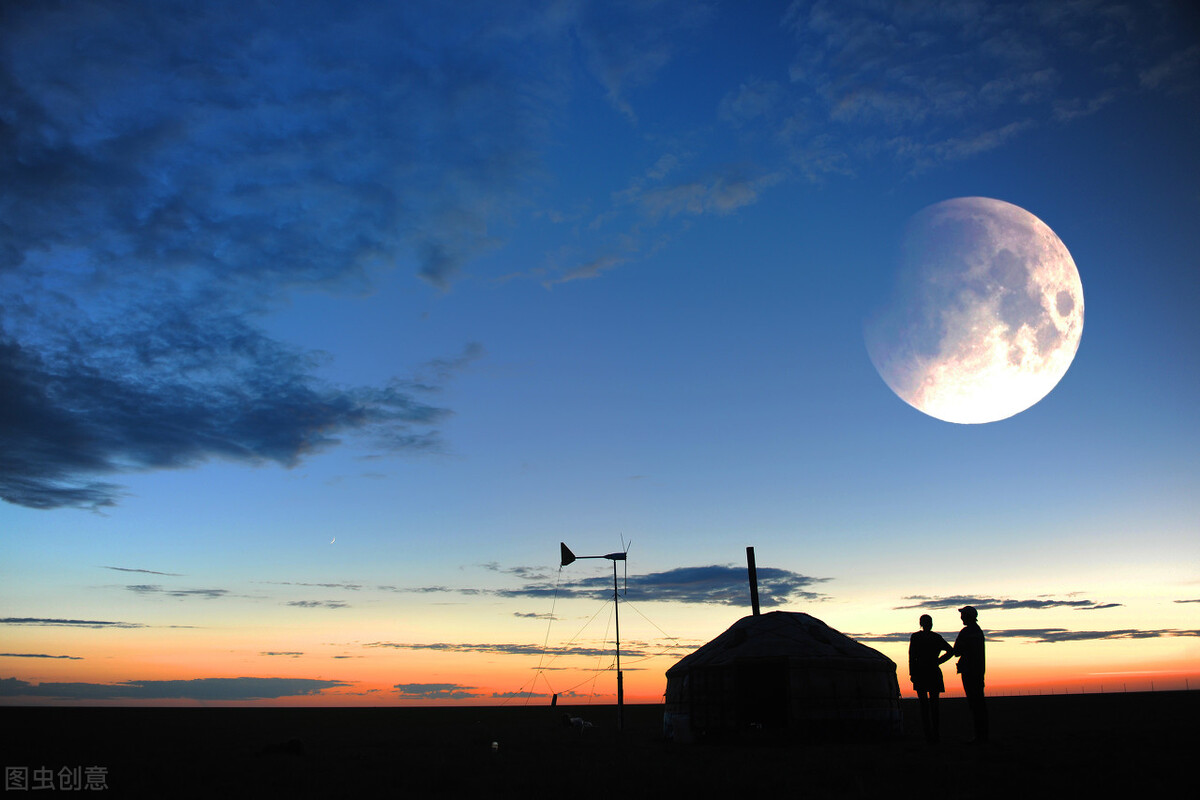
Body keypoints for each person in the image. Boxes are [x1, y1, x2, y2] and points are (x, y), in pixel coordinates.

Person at [908, 614, 953, 742]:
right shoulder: (935, 638)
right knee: (933, 705)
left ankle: (930, 734)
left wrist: (912, 673)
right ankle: (933, 734)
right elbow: (951, 651)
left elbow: (911, 657)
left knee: (926, 706)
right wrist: (938, 661)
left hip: (923, 673)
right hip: (930, 672)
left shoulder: (917, 637)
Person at [954, 605, 989, 743]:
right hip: (978, 672)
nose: (961, 617)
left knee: (975, 704)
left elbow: (956, 651)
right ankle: (982, 735)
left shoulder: (966, 632)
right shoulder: (978, 632)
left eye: (963, 615)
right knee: (979, 703)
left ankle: (979, 736)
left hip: (969, 672)